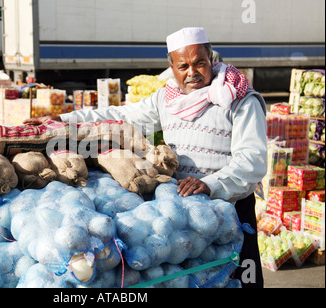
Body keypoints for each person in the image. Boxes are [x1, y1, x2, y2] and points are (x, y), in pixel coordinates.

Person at [24, 27, 267, 288]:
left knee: (241, 279)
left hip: (229, 208)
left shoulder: (239, 100)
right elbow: (118, 117)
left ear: (212, 60)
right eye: (183, 66)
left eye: (200, 63)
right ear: (172, 67)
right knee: (200, 279)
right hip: (180, 208)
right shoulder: (167, 99)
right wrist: (62, 119)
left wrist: (212, 184)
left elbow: (252, 161)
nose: (192, 72)